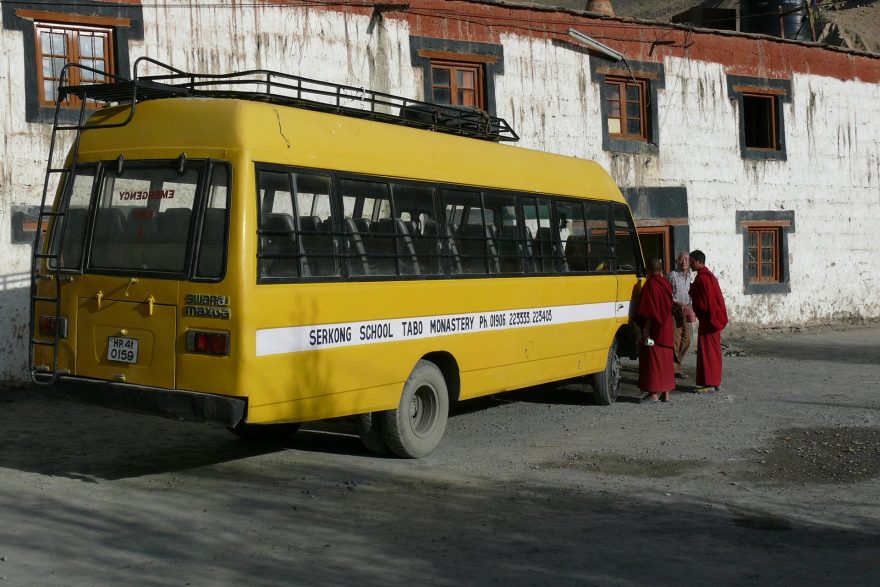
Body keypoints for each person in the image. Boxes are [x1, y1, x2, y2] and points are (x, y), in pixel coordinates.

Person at [635, 257, 675, 403]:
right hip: (667, 327)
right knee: (665, 360)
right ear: (661, 270)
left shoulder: (651, 285)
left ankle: (653, 394)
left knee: (653, 360)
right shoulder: (666, 283)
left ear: (648, 270)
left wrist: (646, 328)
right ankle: (666, 393)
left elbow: (650, 311)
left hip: (655, 330)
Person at [688, 250, 728, 394]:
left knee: (708, 351)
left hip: (709, 320)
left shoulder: (703, 278)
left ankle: (710, 383)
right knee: (713, 350)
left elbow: (707, 302)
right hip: (711, 319)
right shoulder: (706, 276)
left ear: (699, 262)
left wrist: (692, 291)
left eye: (692, 261)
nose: (690, 264)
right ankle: (715, 381)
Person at [667, 251, 694, 379]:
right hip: (675, 310)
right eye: (681, 259)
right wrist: (677, 303)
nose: (684, 261)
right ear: (677, 261)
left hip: (686, 310)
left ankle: (677, 364)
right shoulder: (672, 275)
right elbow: (667, 295)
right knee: (675, 340)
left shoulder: (689, 276)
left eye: (686, 260)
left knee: (687, 339)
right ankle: (675, 369)